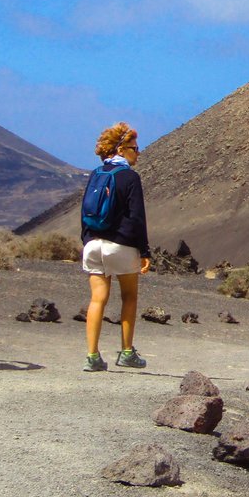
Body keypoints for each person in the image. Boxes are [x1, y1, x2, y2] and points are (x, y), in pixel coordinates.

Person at [81, 122, 151, 372]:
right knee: (129, 296)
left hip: (93, 245)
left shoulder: (96, 174)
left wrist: (87, 240)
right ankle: (127, 352)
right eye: (134, 148)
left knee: (97, 299)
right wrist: (144, 251)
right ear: (122, 149)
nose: (138, 153)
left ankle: (92, 356)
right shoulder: (130, 177)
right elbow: (136, 217)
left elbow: (84, 211)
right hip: (121, 246)